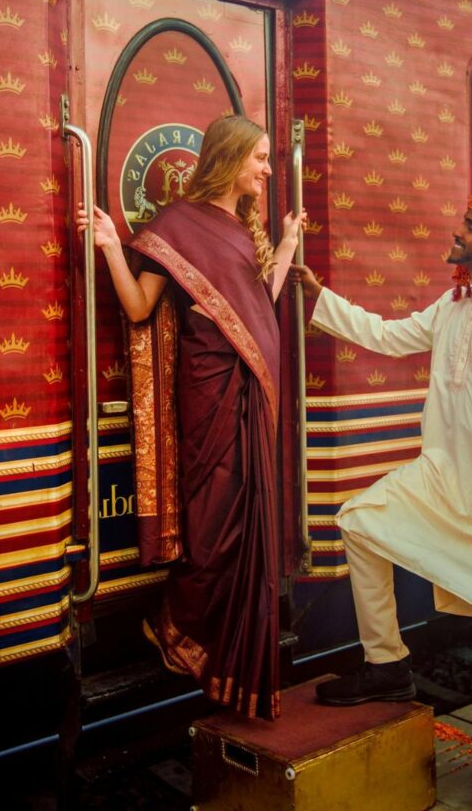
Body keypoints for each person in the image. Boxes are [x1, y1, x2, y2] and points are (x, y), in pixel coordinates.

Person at [294, 187, 472, 810]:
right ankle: (388, 665)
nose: (457, 231)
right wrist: (319, 299)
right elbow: (390, 336)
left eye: (469, 225)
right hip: (447, 481)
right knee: (360, 521)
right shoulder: (452, 307)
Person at [76, 115, 303, 720]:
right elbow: (137, 306)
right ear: (229, 158)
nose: (267, 169)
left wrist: (283, 249)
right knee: (212, 528)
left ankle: (230, 657)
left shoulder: (243, 230)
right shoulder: (176, 224)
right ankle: (177, 627)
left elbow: (260, 306)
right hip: (206, 398)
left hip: (252, 395)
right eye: (259, 157)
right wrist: (108, 247)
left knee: (246, 522)